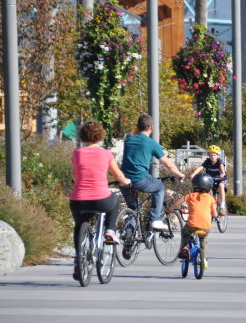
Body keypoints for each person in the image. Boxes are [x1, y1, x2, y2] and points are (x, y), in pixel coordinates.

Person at [69, 121, 131, 280]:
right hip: (101, 199)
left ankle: (78, 260)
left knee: (79, 226)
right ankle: (110, 230)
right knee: (114, 200)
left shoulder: (77, 153)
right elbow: (118, 175)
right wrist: (126, 182)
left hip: (78, 200)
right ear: (101, 135)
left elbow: (74, 174)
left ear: (82, 136)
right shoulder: (106, 154)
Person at [120, 114, 185, 231]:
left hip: (123, 180)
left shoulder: (128, 140)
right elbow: (168, 163)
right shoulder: (151, 143)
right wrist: (179, 174)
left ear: (137, 126)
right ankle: (156, 220)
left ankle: (128, 235)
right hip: (139, 179)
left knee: (133, 209)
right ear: (151, 127)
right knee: (159, 187)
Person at [170, 173, 218, 268]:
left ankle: (184, 248)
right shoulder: (211, 198)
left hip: (191, 225)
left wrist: (171, 209)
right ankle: (203, 259)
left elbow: (177, 203)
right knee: (203, 240)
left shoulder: (190, 195)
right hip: (205, 226)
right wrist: (216, 216)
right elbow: (215, 214)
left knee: (185, 233)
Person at [190, 145, 227, 215]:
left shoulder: (219, 161)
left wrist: (222, 173)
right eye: (210, 155)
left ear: (218, 156)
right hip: (211, 178)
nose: (212, 157)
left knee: (221, 186)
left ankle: (222, 204)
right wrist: (193, 174)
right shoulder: (207, 161)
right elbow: (200, 167)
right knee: (208, 189)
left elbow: (222, 169)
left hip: (220, 178)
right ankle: (212, 204)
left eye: (214, 155)